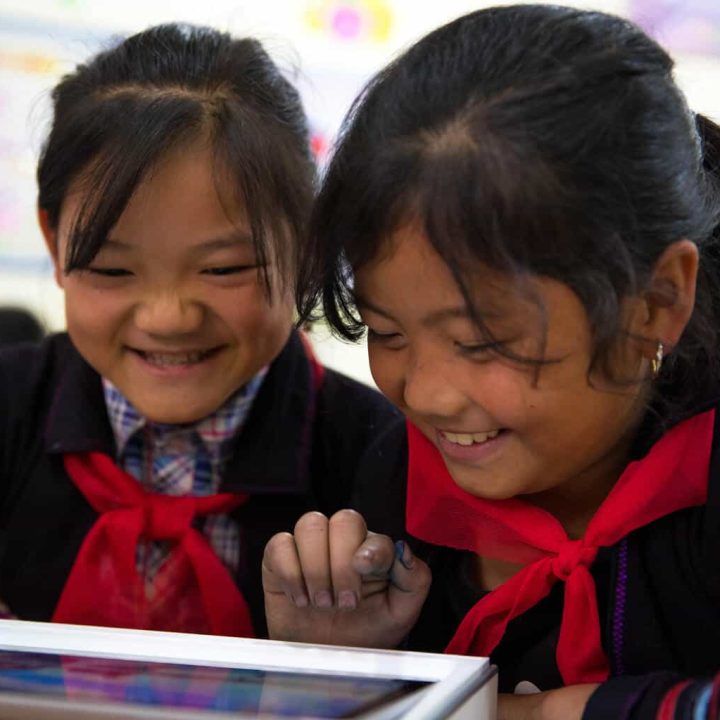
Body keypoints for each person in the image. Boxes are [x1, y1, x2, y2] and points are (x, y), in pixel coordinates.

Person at [262, 5, 720, 718]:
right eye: (386, 331)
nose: (428, 395)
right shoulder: (398, 483)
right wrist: (337, 672)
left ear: (657, 299)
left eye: (482, 343)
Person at [0, 23, 403, 638]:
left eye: (224, 268)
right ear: (56, 244)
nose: (169, 317)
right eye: (113, 268)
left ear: (306, 245)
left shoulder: (382, 461)